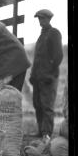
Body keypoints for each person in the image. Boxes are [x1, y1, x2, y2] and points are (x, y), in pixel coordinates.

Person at [29, 9, 63, 143]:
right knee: (37, 104)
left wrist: (51, 72)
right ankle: (40, 131)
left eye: (43, 19)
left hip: (48, 78)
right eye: (39, 19)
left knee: (47, 106)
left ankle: (47, 134)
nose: (40, 21)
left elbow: (58, 56)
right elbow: (37, 58)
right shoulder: (41, 35)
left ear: (49, 19)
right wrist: (33, 75)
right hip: (38, 77)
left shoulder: (54, 33)